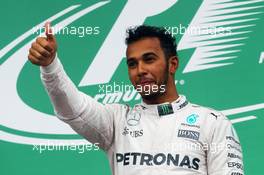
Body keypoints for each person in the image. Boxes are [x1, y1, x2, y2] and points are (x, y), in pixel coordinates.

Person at [28, 22, 244, 175]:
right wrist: (50, 65)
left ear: (173, 64)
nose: (140, 70)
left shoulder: (212, 122)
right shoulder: (116, 120)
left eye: (149, 59)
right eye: (132, 64)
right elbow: (72, 108)